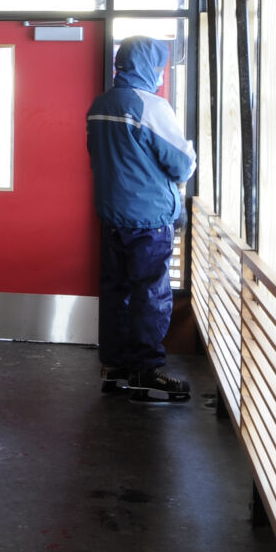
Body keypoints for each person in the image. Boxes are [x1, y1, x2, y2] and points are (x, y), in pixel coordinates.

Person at [85, 36, 197, 402]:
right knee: (151, 294)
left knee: (116, 292)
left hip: (112, 215)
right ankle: (146, 370)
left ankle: (115, 366)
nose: (162, 73)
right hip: (148, 220)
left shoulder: (100, 104)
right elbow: (181, 164)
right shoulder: (150, 106)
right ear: (150, 67)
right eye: (160, 66)